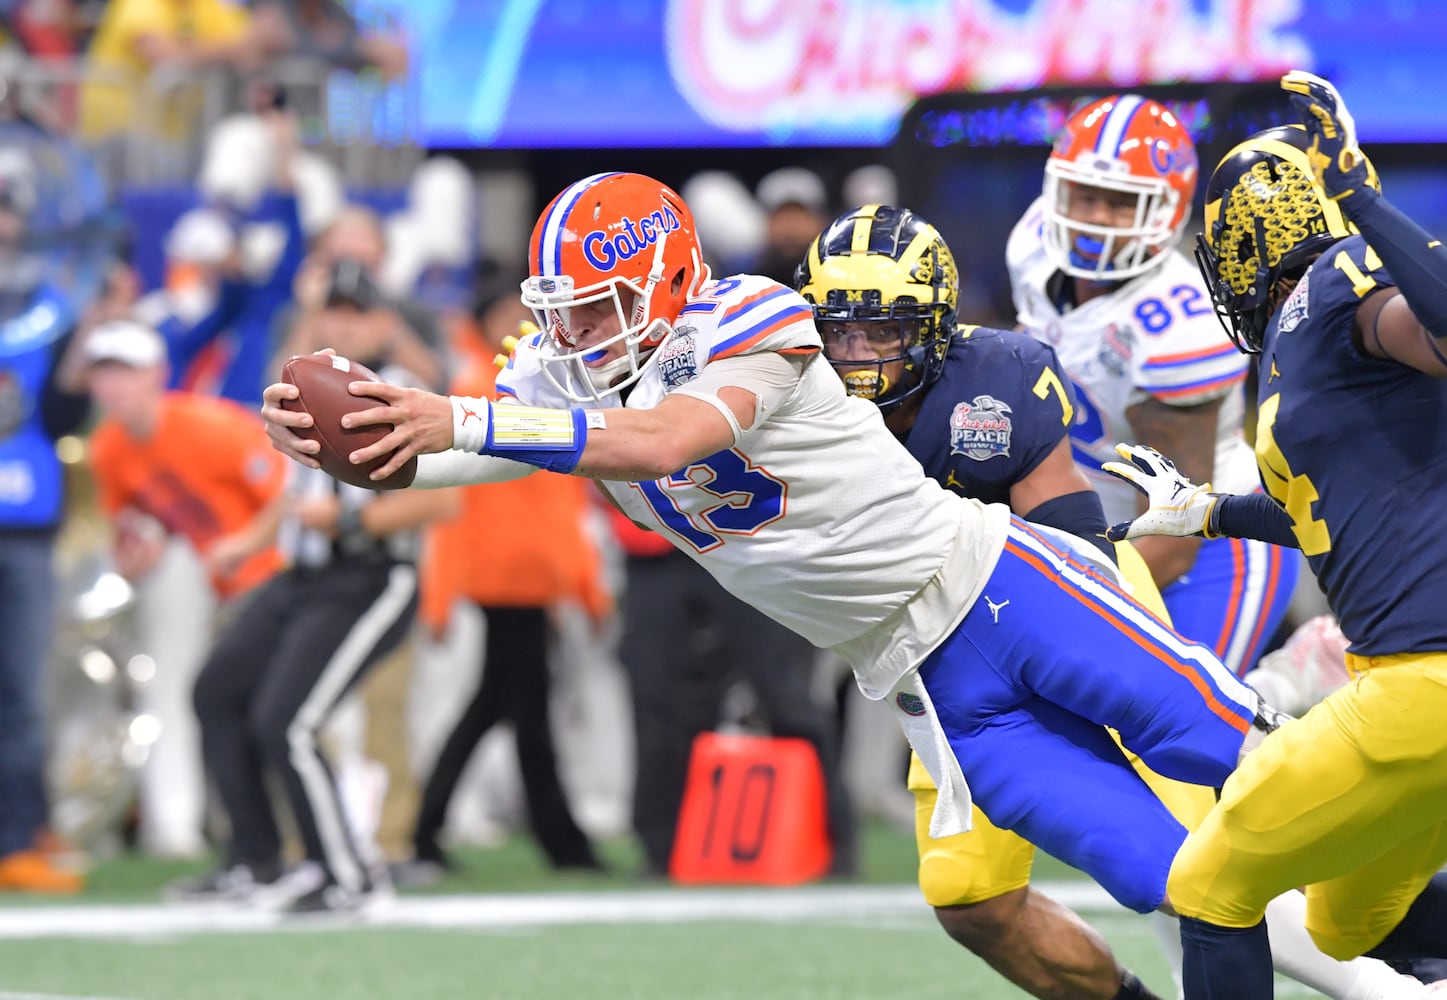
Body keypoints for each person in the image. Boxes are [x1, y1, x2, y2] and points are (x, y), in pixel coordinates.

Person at [260, 171, 1279, 923]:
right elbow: (445, 461)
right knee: (1176, 877)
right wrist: (360, 443)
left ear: (665, 279)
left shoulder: (752, 314)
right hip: (919, 672)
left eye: (597, 309)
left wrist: (460, 416)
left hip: (999, 585)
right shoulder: (565, 381)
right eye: (561, 315)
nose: (574, 337)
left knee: (1258, 762)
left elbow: (663, 438)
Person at [795, 202, 1424, 1000]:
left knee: (1200, 850)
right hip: (936, 657)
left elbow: (1071, 536)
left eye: (883, 332)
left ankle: (1398, 987)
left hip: (1064, 603)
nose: (858, 356)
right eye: (839, 331)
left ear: (936, 325)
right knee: (969, 896)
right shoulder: (787, 398)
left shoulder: (996, 378)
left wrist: (1101, 661)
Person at [1104, 72, 1447, 998]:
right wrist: (1208, 510)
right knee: (1343, 923)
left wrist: (1364, 202)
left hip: (1420, 687)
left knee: (1208, 882)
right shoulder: (1308, 343)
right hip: (1411, 693)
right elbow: (1326, 511)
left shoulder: (1341, 283)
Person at [174, 265, 458, 914]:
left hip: (370, 575)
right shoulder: (305, 386)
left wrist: (351, 516)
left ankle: (349, 875)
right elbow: (299, 490)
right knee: (217, 690)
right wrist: (247, 542)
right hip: (304, 574)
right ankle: (257, 859)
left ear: (384, 324)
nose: (341, 324)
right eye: (333, 311)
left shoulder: (401, 392)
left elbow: (441, 507)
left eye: (356, 313)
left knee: (290, 723)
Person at [1007, 94, 1297, 677]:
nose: (1095, 219)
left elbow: (1173, 527)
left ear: (1167, 210)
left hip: (1209, 546)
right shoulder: (1032, 249)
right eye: (1084, 196)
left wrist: (1061, 598)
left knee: (1186, 743)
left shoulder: (1176, 324)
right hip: (1101, 537)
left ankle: (1297, 683)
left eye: (1120, 203)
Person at [401, 280, 607, 880]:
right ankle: (556, 843)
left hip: (532, 579)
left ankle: (443, 833)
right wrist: (442, 593)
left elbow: (562, 506)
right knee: (516, 714)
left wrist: (582, 582)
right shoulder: (475, 391)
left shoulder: (544, 388)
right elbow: (453, 506)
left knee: (506, 709)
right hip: (503, 580)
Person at [86, 320, 289, 858]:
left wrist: (243, 548)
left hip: (264, 577)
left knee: (269, 705)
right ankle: (173, 823)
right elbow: (127, 533)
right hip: (201, 579)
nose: (114, 387)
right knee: (176, 690)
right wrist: (136, 555)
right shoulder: (108, 449)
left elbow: (289, 493)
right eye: (104, 374)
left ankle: (272, 829)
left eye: (125, 372)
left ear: (157, 374)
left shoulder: (213, 427)